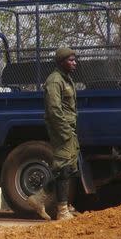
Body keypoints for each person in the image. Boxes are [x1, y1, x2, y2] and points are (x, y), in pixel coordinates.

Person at [40, 47, 79, 220]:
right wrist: (65, 133)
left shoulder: (66, 79)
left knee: (69, 167)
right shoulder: (55, 81)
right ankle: (62, 211)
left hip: (68, 129)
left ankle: (38, 198)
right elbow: (54, 110)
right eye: (70, 60)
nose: (74, 63)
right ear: (61, 62)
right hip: (61, 130)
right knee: (63, 167)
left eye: (74, 60)